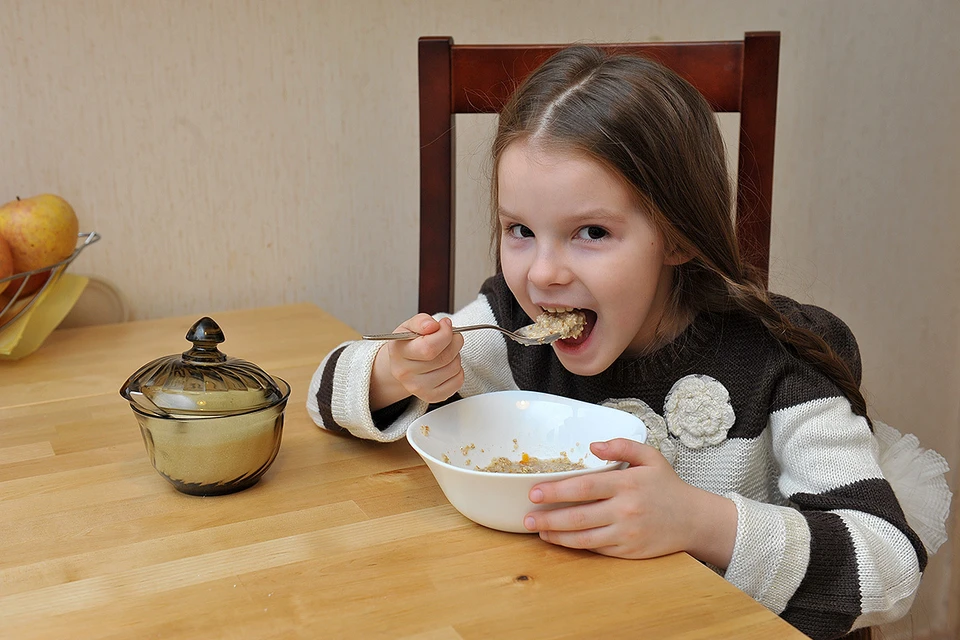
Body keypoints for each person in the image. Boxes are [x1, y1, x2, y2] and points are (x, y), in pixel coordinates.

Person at [307, 45, 951, 639]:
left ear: (677, 236)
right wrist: (398, 370)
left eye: (590, 232)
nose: (542, 273)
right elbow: (325, 393)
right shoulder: (511, 328)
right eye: (520, 230)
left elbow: (889, 565)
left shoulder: (776, 359)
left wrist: (698, 522)